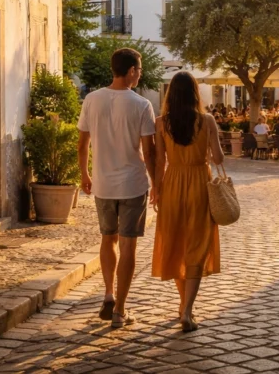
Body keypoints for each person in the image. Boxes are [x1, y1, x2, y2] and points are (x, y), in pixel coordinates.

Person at [77, 48, 155, 328]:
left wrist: (85, 173)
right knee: (128, 246)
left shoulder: (92, 99)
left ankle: (108, 294)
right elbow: (149, 150)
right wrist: (156, 183)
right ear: (132, 71)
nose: (140, 75)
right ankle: (120, 311)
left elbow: (83, 142)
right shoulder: (141, 105)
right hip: (133, 184)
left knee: (107, 239)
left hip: (103, 184)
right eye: (140, 70)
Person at [151, 71, 224, 333]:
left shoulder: (161, 123)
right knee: (197, 246)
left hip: (172, 185)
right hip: (199, 186)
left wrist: (156, 191)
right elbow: (218, 159)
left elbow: (160, 162)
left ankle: (183, 305)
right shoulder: (207, 120)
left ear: (171, 94)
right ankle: (188, 310)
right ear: (195, 94)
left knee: (177, 244)